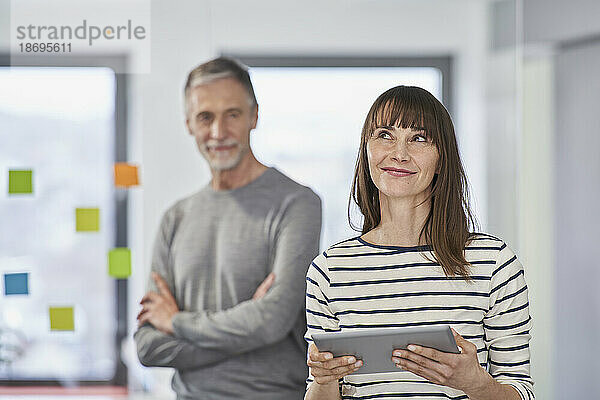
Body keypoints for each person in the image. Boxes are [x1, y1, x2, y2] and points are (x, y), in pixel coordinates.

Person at [304, 86, 534, 400]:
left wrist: (476, 384)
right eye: (384, 134)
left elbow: (521, 390)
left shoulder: (493, 263)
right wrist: (323, 381)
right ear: (366, 149)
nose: (398, 153)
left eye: (419, 138)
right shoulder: (330, 271)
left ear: (441, 160)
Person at [134, 57, 322, 399]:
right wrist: (247, 330)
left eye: (232, 114)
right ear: (189, 123)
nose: (219, 132)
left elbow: (273, 321)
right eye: (206, 117)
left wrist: (177, 323)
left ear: (254, 116)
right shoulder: (175, 218)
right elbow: (147, 346)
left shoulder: (297, 204)